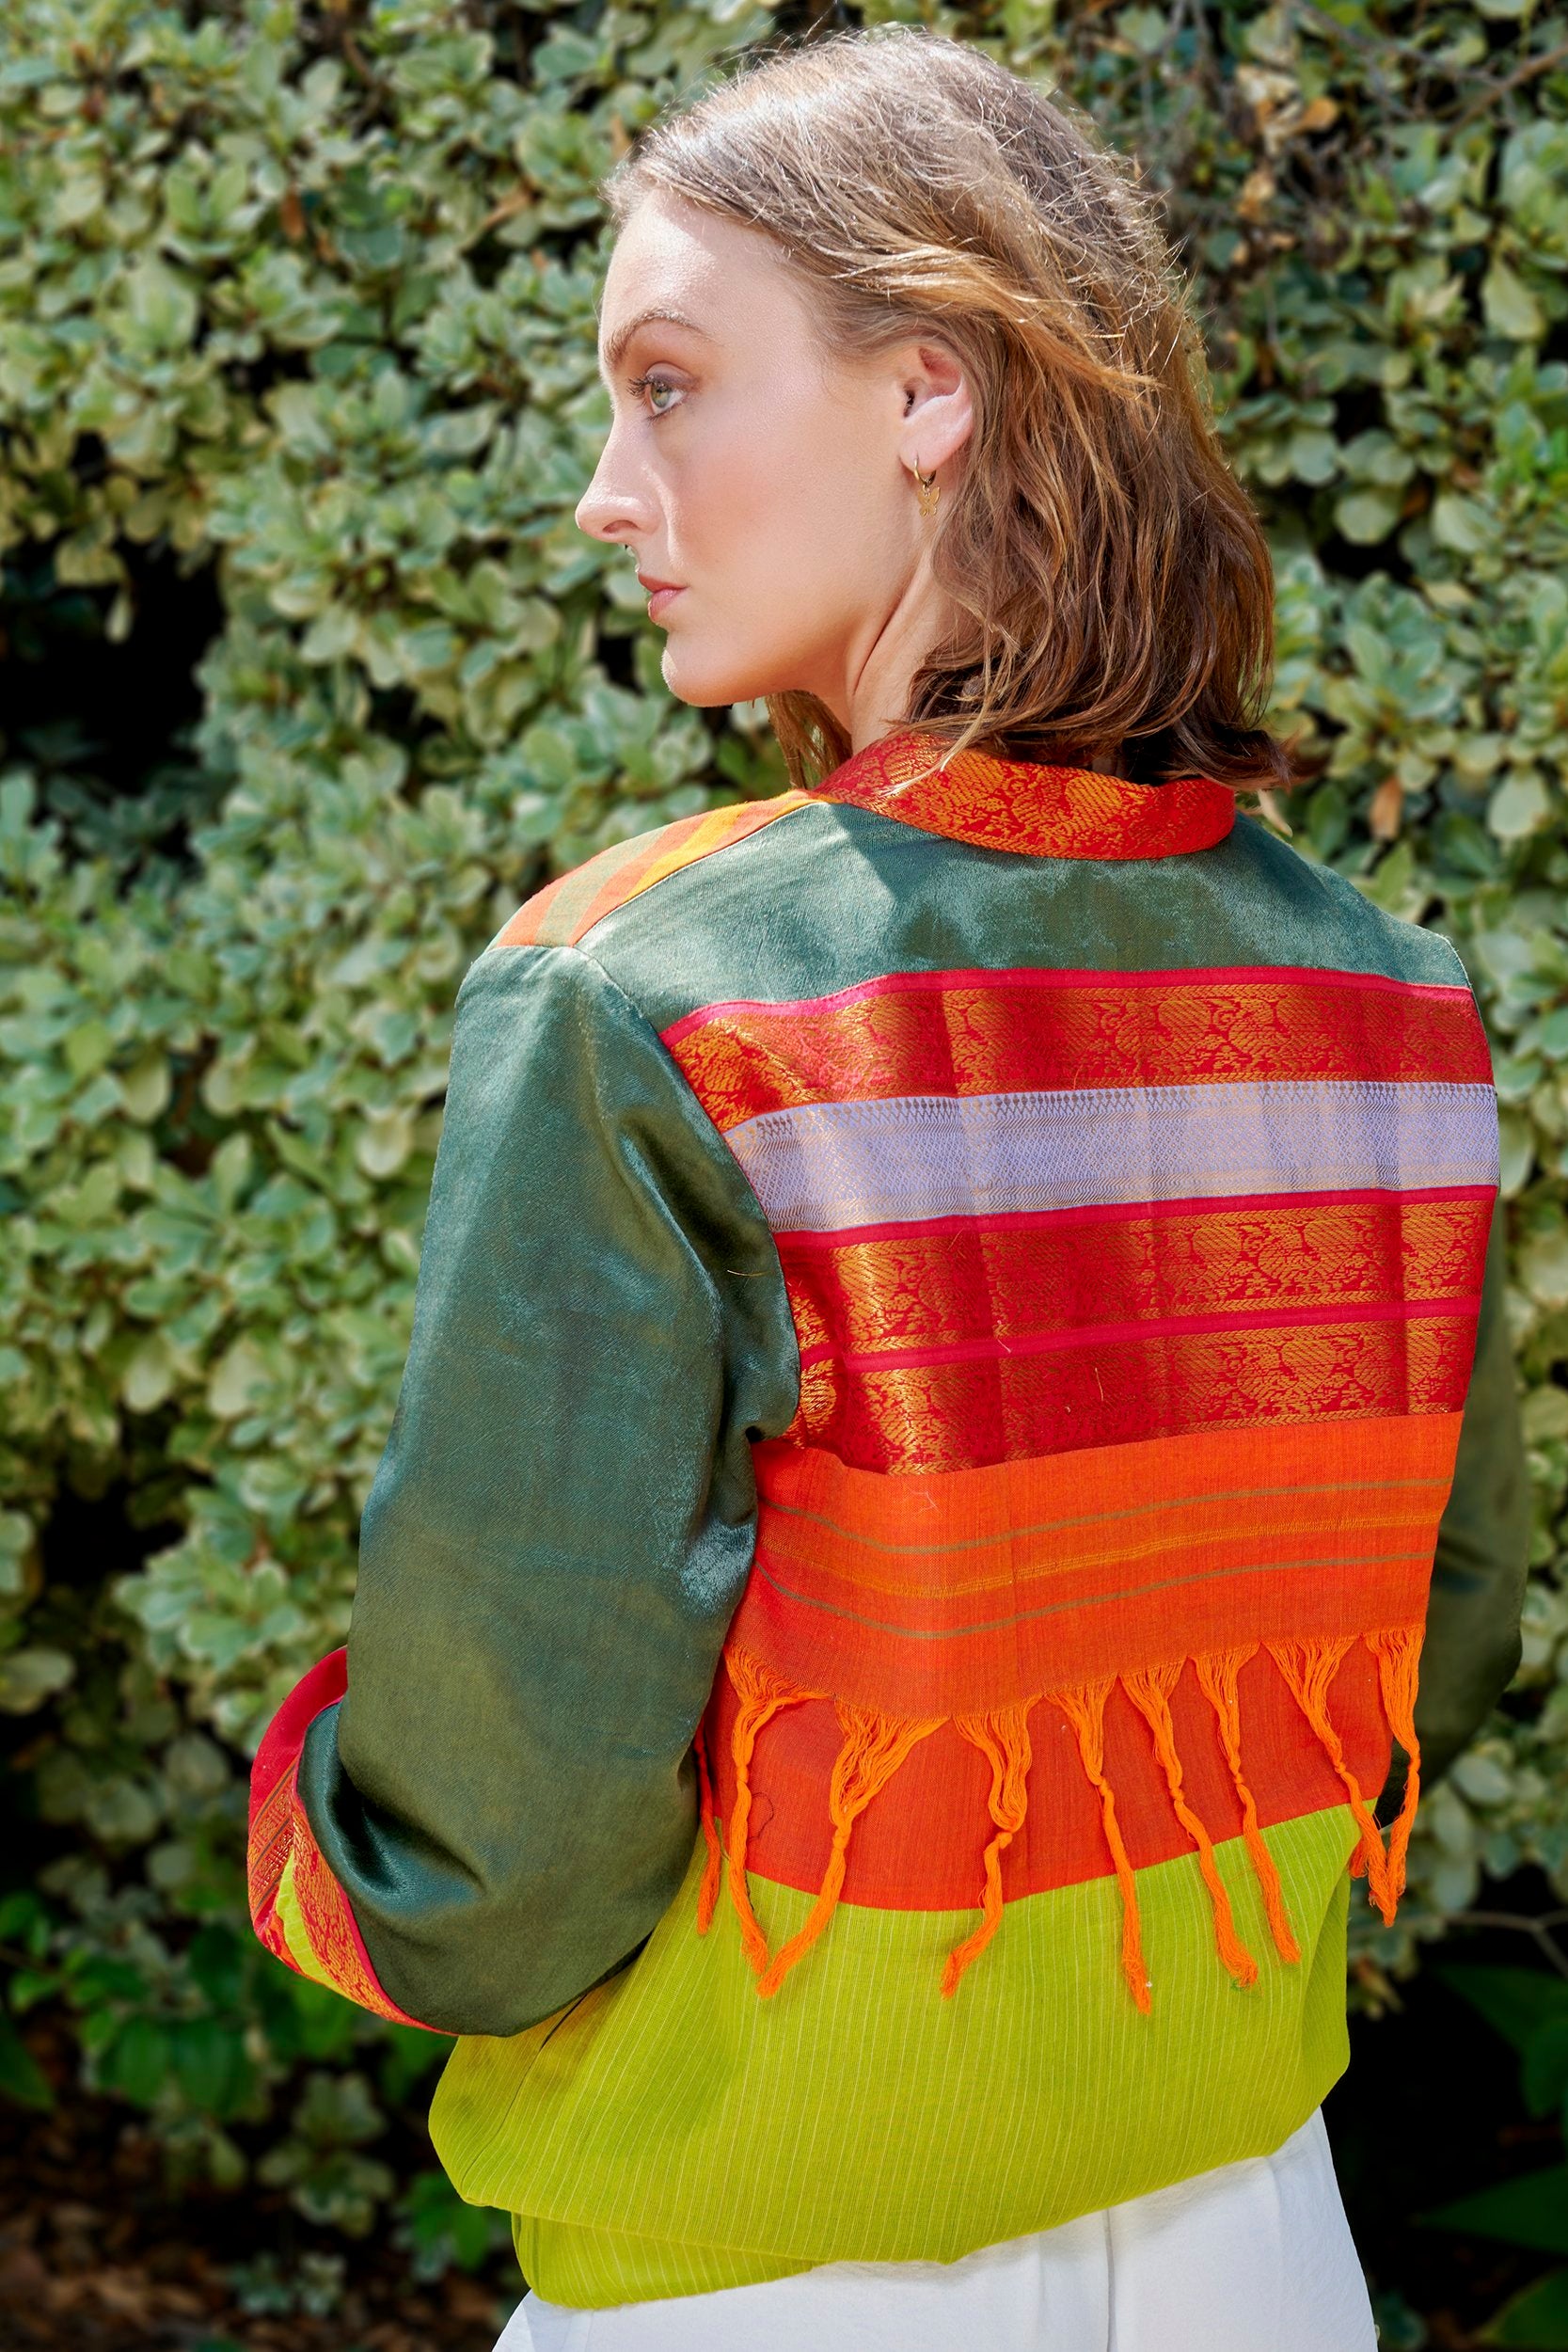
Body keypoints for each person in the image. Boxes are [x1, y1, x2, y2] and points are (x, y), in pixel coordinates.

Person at [245, 25, 1530, 2349]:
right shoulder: (1395, 1000)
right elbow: (1430, 1643)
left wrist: (324, 1820)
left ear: (928, 392)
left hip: (769, 2267)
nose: (605, 491)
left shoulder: (651, 992)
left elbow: (496, 1859)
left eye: (666, 383)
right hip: (1259, 2229)